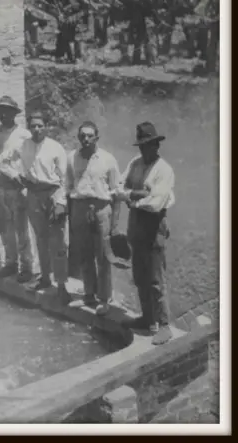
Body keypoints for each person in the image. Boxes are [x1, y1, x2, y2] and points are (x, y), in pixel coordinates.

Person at [114, 122, 175, 345]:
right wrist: (137, 194)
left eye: (149, 145)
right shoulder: (135, 163)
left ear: (156, 145)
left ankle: (165, 325)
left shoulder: (164, 170)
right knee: (140, 276)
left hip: (154, 225)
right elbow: (118, 188)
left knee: (156, 279)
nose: (145, 149)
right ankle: (147, 319)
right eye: (141, 145)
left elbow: (156, 203)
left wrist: (133, 199)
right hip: (136, 225)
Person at [66, 121, 122, 315]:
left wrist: (114, 224)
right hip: (79, 207)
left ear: (97, 137)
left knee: (103, 256)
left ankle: (104, 298)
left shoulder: (108, 159)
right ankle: (88, 295)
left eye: (90, 136)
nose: (86, 139)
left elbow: (116, 192)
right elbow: (67, 186)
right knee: (84, 253)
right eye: (82, 136)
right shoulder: (71, 157)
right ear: (78, 137)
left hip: (101, 208)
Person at [18, 111, 71, 304]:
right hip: (34, 194)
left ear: (46, 127)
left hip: (53, 193)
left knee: (58, 241)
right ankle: (46, 278)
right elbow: (20, 168)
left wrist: (60, 202)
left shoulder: (56, 148)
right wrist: (25, 185)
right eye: (33, 126)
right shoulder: (24, 145)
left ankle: (62, 286)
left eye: (40, 125)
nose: (37, 129)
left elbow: (64, 180)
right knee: (40, 238)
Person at [0, 96, 34, 282]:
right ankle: (10, 262)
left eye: (7, 112)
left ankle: (27, 266)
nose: (3, 115)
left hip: (17, 186)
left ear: (14, 114)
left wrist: (19, 177)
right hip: (1, 185)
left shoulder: (24, 135)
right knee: (4, 226)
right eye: (1, 112)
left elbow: (29, 160)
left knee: (21, 227)